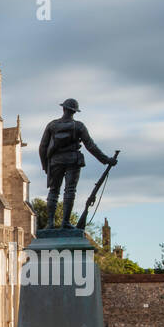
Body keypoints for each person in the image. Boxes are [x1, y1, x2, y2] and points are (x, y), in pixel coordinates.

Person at [39, 98, 117, 231]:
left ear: (63, 109)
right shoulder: (79, 126)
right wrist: (106, 160)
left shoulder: (52, 125)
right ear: (74, 112)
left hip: (55, 161)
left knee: (53, 191)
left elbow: (42, 148)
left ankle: (50, 223)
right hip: (73, 160)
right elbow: (91, 146)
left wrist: (45, 166)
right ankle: (65, 222)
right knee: (70, 191)